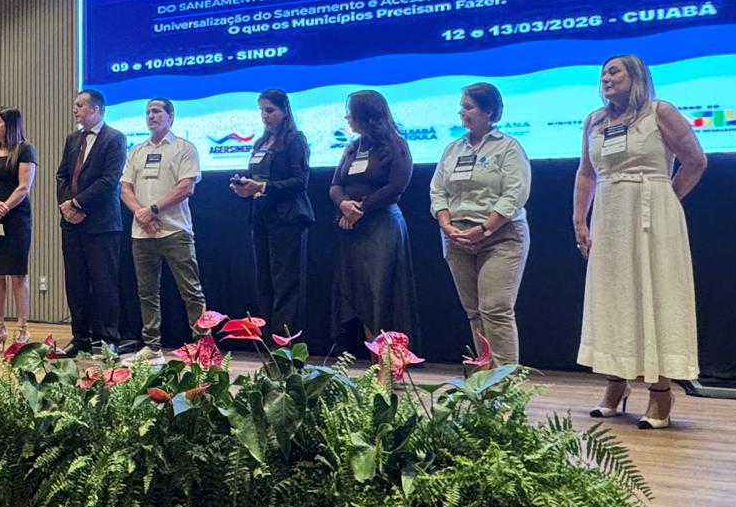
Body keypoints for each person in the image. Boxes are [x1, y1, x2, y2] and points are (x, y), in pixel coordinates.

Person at [574, 55, 707, 429]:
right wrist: (579, 220)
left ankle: (661, 392)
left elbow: (695, 160)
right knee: (613, 297)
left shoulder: (659, 112)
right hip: (609, 216)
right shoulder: (594, 121)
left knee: (655, 293)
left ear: (636, 76)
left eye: (614, 71)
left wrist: (668, 197)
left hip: (652, 214)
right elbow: (586, 173)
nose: (606, 77)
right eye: (603, 73)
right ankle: (615, 384)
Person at [429, 83, 531, 366]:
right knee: (474, 311)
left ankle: (505, 382)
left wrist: (485, 229)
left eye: (468, 107)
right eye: (461, 107)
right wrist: (446, 225)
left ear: (489, 112)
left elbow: (515, 193)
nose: (461, 112)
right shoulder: (453, 149)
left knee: (495, 309)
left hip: (500, 236)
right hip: (457, 237)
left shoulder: (508, 148)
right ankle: (485, 377)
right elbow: (437, 191)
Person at [328, 90, 417, 352]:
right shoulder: (352, 147)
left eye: (351, 112)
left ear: (366, 115)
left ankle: (390, 361)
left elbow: (397, 186)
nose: (347, 117)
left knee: (382, 292)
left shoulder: (396, 145)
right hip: (353, 229)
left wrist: (361, 208)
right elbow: (335, 184)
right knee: (360, 294)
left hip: (381, 227)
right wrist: (344, 204)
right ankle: (374, 357)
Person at [120, 98, 207, 364]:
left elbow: (186, 187)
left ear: (171, 116)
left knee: (190, 291)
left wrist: (153, 209)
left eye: (156, 111)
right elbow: (125, 189)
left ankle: (202, 347)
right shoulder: (136, 151)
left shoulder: (183, 148)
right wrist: (142, 214)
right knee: (147, 293)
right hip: (142, 233)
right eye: (148, 112)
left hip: (175, 231)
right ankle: (152, 347)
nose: (151, 115)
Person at [228, 88, 314, 341]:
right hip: (261, 216)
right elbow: (255, 179)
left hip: (288, 218)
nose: (265, 116)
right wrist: (244, 188)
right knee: (264, 283)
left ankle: (285, 350)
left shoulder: (295, 139)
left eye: (270, 110)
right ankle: (268, 343)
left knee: (286, 284)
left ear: (285, 111)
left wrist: (263, 187)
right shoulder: (259, 143)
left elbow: (300, 181)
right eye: (261, 111)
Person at [56, 90, 129, 358]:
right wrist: (67, 206)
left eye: (80, 105)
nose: (74, 109)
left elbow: (109, 180)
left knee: (104, 283)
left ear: (96, 109)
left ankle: (108, 339)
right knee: (75, 283)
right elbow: (62, 176)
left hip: (101, 224)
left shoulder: (115, 138)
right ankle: (80, 338)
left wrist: (78, 204)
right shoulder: (72, 139)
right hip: (71, 224)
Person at [0, 107, 37, 354]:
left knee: (17, 273)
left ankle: (22, 328)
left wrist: (1, 211)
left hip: (15, 217)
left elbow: (23, 187)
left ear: (10, 125)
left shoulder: (24, 150)